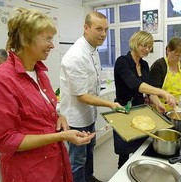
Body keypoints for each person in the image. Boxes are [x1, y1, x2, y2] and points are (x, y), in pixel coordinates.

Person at [0, 8, 95, 182]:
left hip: (55, 162)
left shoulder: (39, 72)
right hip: (29, 171)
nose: (52, 45)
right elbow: (6, 140)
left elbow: (37, 111)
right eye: (48, 39)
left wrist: (58, 116)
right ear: (26, 39)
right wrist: (62, 136)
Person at [60, 11, 123, 182]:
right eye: (99, 29)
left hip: (89, 115)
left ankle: (89, 178)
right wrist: (110, 104)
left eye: (106, 29)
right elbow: (82, 96)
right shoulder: (76, 55)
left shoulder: (93, 50)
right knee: (77, 159)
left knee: (89, 150)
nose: (103, 34)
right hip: (76, 118)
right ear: (86, 28)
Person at [113, 30, 177, 169]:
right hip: (123, 110)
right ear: (135, 43)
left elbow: (149, 90)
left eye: (149, 47)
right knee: (124, 150)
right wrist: (163, 93)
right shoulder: (122, 62)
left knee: (139, 146)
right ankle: (122, 174)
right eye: (144, 45)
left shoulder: (144, 65)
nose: (146, 49)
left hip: (139, 110)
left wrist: (158, 102)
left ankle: (136, 170)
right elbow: (135, 85)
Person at [150, 37, 181, 112]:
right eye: (176, 55)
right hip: (159, 108)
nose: (178, 58)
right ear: (168, 50)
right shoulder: (159, 66)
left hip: (175, 109)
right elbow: (152, 92)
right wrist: (159, 104)